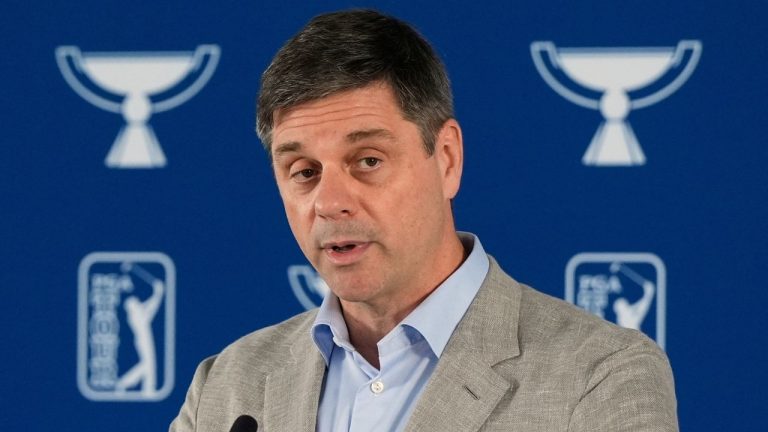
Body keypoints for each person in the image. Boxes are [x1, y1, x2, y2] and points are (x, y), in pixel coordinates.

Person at [170, 9, 678, 432]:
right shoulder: (227, 385)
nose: (329, 202)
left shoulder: (600, 374)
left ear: (447, 158)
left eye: (367, 160)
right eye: (303, 171)